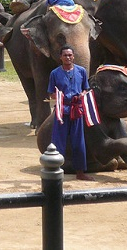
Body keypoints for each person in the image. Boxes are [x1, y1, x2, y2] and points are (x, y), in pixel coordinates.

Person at [48, 45, 95, 181]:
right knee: (58, 141)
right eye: (65, 55)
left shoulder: (81, 72)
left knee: (78, 141)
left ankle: (80, 172)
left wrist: (82, 94)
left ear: (73, 56)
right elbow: (51, 93)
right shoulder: (54, 73)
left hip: (77, 110)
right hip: (62, 110)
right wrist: (58, 96)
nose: (68, 57)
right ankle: (55, 170)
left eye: (70, 55)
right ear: (60, 57)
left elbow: (86, 88)